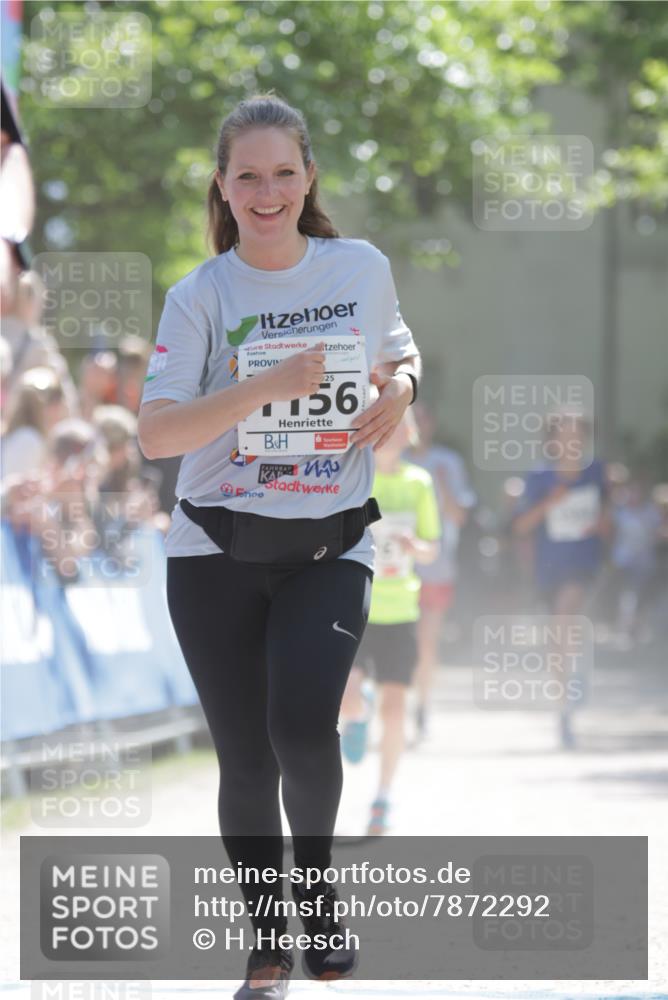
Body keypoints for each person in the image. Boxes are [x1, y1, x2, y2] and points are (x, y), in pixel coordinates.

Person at [137, 93, 421, 999]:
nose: (268, 192)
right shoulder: (200, 296)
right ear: (222, 186)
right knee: (247, 761)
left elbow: (399, 351)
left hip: (330, 546)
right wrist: (263, 386)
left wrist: (404, 388)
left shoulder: (361, 267)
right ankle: (266, 942)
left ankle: (320, 887)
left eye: (284, 173)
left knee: (304, 731)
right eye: (247, 175)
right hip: (214, 551)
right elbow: (155, 436)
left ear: (309, 179)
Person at [339, 409, 440, 834]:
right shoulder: (354, 476)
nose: (395, 431)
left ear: (411, 433)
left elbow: (432, 550)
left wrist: (413, 546)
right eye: (388, 423)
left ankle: (382, 798)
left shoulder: (419, 483)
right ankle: (357, 718)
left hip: (401, 610)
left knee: (396, 709)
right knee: (348, 701)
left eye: (402, 424)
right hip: (354, 606)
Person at [512, 411, 610, 749]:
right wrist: (549, 503)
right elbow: (520, 526)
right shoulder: (539, 477)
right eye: (565, 437)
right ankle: (564, 706)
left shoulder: (597, 472)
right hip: (548, 567)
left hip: (584, 565)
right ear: (552, 442)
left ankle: (575, 679)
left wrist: (600, 525)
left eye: (577, 437)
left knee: (568, 614)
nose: (572, 443)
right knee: (559, 636)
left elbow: (609, 521)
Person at [407, 402, 476, 739]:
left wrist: (442, 484)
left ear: (432, 423)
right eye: (412, 418)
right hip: (393, 568)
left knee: (426, 643)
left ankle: (422, 706)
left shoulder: (448, 462)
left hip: (437, 566)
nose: (418, 424)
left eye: (423, 417)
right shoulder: (387, 458)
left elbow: (460, 515)